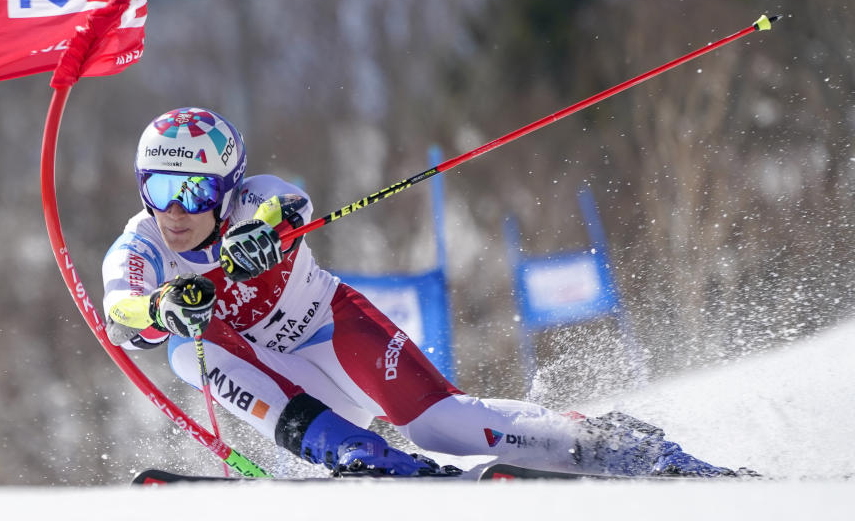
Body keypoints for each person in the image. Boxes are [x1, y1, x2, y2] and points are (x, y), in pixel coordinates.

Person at [102, 106, 740, 478]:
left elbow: (288, 202)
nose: (175, 211)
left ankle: (616, 446)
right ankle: (355, 454)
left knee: (446, 427)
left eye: (193, 193)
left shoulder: (252, 198)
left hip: (332, 331)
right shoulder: (142, 246)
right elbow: (119, 307)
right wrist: (158, 305)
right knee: (188, 352)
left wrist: (260, 233)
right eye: (158, 190)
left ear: (225, 187)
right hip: (292, 385)